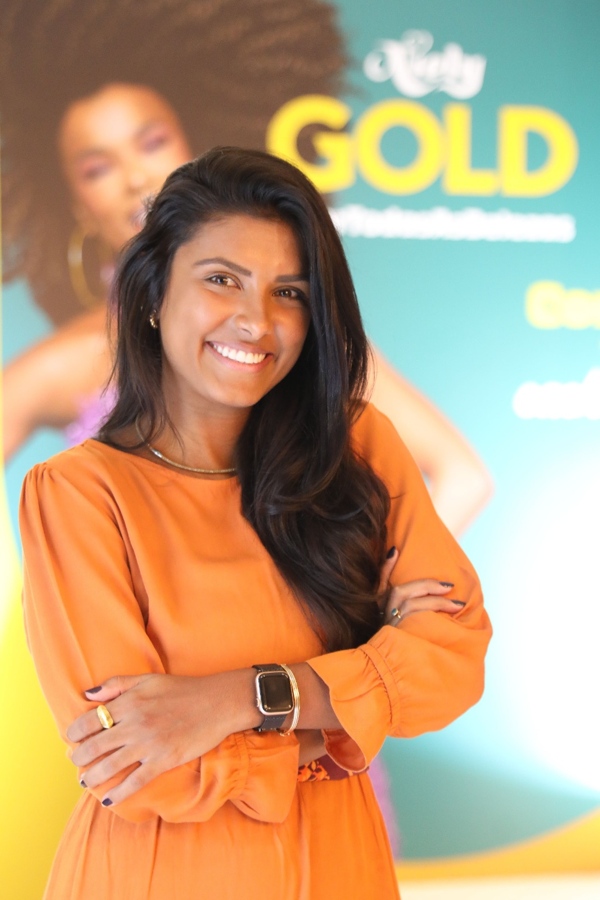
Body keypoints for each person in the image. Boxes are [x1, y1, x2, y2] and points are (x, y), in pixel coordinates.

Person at [19, 147, 491, 899]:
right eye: (220, 279)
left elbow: (451, 662)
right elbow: (139, 770)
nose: (256, 320)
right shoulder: (79, 494)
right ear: (152, 292)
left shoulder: (359, 449)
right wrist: (346, 713)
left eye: (289, 292)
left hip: (344, 872)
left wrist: (237, 699)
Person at [1, 0, 492, 537]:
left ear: (198, 152)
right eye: (98, 168)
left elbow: (463, 477)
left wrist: (377, 591)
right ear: (75, 205)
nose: (135, 177)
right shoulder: (67, 363)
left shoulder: (289, 326)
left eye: (153, 142)